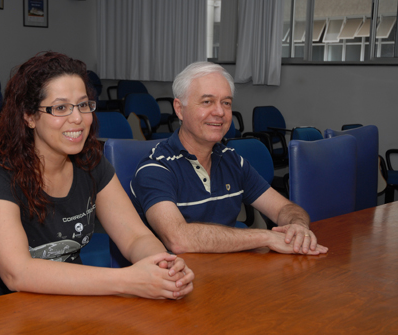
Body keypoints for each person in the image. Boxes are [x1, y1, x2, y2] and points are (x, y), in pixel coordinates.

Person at [0, 51, 194, 306]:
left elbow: (136, 237)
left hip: (60, 298)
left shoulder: (91, 164)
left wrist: (163, 266)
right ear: (29, 116)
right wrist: (128, 280)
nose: (78, 118)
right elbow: (17, 273)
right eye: (60, 107)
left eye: (83, 104)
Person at [130, 61, 328, 256]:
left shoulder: (232, 161)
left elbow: (284, 208)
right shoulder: (155, 168)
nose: (219, 112)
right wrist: (265, 237)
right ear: (179, 109)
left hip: (229, 275)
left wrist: (297, 226)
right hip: (176, 282)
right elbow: (178, 239)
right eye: (207, 102)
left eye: (226, 103)